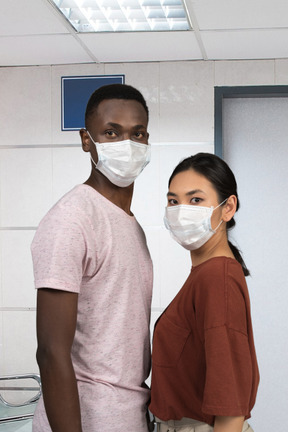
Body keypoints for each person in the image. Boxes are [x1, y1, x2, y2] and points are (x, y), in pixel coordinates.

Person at [31, 84, 154, 432]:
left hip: (128, 415)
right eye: (111, 132)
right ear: (87, 140)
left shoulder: (132, 227)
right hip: (87, 420)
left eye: (137, 133)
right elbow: (51, 352)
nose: (126, 144)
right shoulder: (71, 219)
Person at [149, 153, 259, 432]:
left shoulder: (217, 278)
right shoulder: (208, 274)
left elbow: (230, 404)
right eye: (173, 201)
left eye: (195, 200)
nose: (180, 210)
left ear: (228, 207)